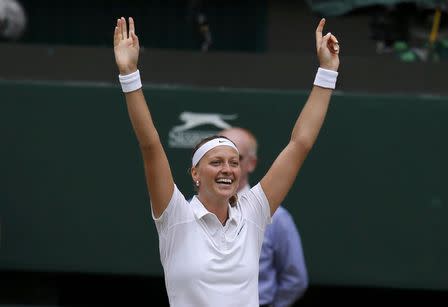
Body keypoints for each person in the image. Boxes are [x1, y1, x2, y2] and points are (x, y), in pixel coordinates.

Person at [113, 15, 339, 307]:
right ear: (195, 172)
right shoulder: (174, 217)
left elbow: (300, 145)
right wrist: (129, 74)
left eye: (234, 162)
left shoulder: (254, 213)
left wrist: (327, 72)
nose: (228, 169)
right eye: (216, 162)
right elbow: (150, 145)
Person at [219, 127, 308, 307]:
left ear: (251, 163)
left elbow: (295, 278)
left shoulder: (278, 217)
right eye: (217, 158)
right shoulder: (189, 210)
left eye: (235, 158)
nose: (225, 167)